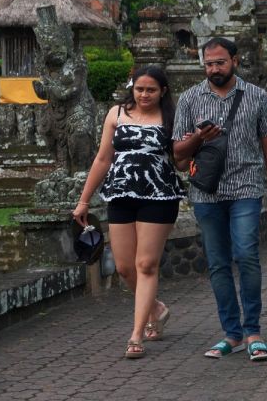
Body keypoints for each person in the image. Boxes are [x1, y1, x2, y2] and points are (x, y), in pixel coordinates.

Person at [172, 36, 267, 362]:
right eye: (209, 64)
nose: (214, 69)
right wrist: (197, 139)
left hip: (246, 188)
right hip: (206, 192)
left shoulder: (256, 96)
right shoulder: (190, 99)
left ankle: (254, 332)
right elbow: (178, 155)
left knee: (246, 254)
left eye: (220, 62)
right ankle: (231, 333)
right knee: (218, 263)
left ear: (235, 60)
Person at [73, 65, 182, 359]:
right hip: (120, 194)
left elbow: (182, 159)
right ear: (132, 88)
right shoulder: (116, 113)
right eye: (140, 89)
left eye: (151, 90)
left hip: (159, 195)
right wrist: (84, 200)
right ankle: (156, 308)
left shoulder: (172, 117)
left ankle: (137, 335)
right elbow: (103, 158)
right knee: (124, 268)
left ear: (163, 92)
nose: (144, 95)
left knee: (146, 264)